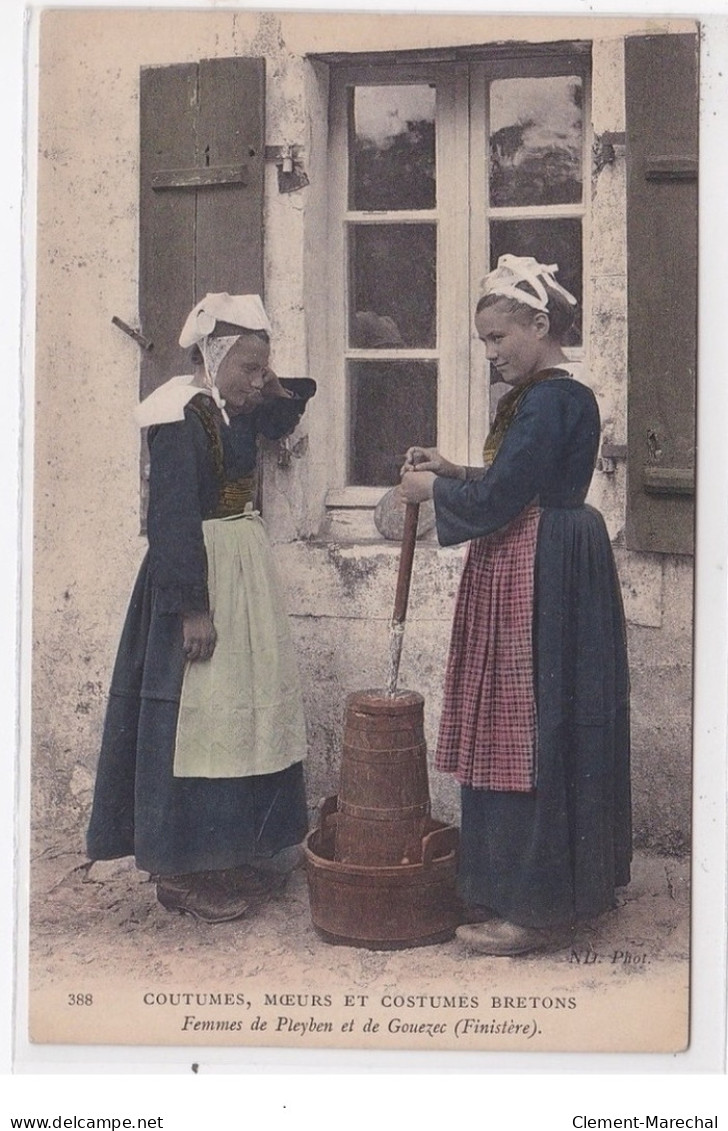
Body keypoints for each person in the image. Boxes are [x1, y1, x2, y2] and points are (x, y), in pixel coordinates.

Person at [400, 255, 631, 956]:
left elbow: (506, 499)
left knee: (529, 727)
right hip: (557, 552)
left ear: (540, 323)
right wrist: (455, 469)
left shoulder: (546, 401)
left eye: (500, 338)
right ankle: (563, 887)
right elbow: (515, 478)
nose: (492, 353)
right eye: (484, 342)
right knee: (547, 724)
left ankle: (533, 905)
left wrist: (428, 496)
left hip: (540, 568)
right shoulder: (563, 397)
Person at [87, 293, 316, 923]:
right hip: (199, 578)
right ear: (212, 358)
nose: (256, 381)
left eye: (260, 369)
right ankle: (180, 871)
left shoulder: (231, 408)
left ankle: (230, 851)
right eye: (246, 367)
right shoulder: (179, 417)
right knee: (193, 722)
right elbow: (171, 520)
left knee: (239, 713)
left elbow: (283, 412)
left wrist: (263, 380)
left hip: (242, 572)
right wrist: (191, 608)